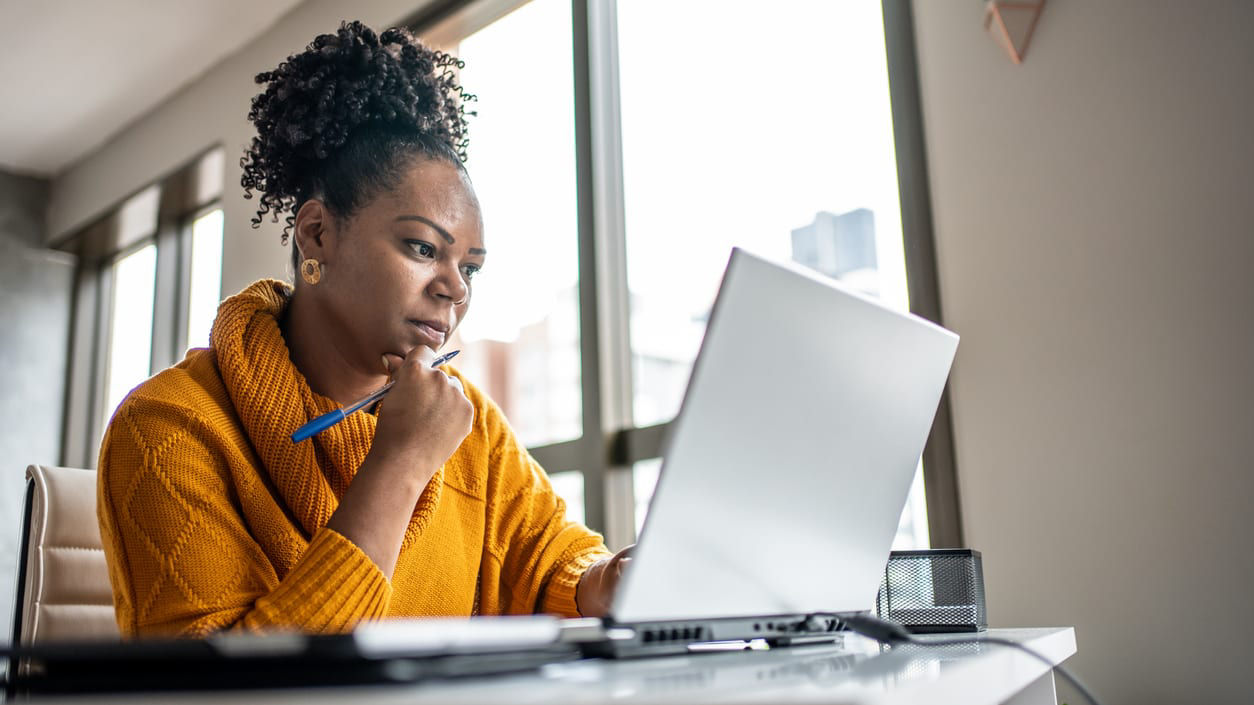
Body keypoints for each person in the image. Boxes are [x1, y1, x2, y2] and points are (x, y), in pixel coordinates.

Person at [96, 21, 629, 637]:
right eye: (424, 248)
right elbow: (221, 695)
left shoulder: (470, 424)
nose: (455, 287)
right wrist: (400, 465)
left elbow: (548, 558)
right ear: (317, 233)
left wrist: (604, 579)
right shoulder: (169, 427)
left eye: (471, 268)